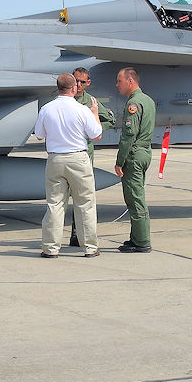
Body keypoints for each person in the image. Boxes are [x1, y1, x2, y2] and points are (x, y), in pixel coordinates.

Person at [34, 73, 104, 258]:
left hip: (55, 159)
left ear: (58, 88)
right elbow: (97, 135)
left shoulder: (47, 109)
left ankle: (50, 249)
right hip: (78, 159)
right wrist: (95, 113)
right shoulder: (82, 110)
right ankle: (89, 248)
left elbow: (39, 135)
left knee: (54, 204)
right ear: (74, 88)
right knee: (85, 204)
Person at [67, 67, 115, 247]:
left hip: (85, 153)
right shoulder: (64, 100)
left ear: (88, 83)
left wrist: (91, 132)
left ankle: (77, 235)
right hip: (66, 153)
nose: (78, 85)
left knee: (83, 196)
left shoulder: (90, 102)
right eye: (75, 80)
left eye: (82, 82)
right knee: (63, 197)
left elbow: (109, 120)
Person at [114, 67, 155, 253]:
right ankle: (136, 237)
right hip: (145, 152)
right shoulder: (148, 100)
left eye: (119, 81)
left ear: (130, 81)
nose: (117, 85)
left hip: (134, 154)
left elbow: (129, 135)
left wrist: (120, 161)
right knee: (136, 195)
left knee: (135, 198)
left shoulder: (134, 104)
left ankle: (142, 241)